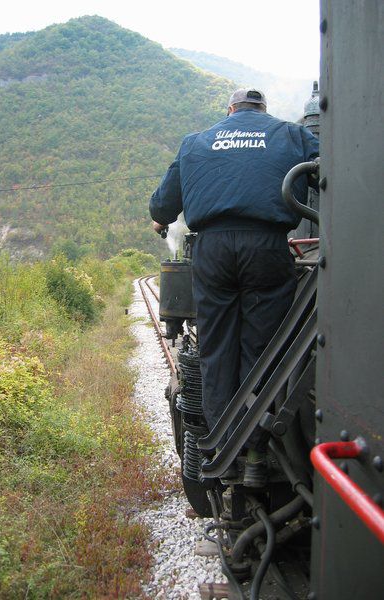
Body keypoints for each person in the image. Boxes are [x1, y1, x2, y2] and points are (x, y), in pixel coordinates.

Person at [150, 88, 319, 486]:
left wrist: (162, 221)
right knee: (263, 349)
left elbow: (161, 208)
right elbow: (331, 164)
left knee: (216, 349)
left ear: (229, 111)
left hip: (214, 252)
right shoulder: (291, 134)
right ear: (264, 110)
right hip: (267, 246)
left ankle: (222, 456)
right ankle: (258, 452)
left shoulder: (195, 142)